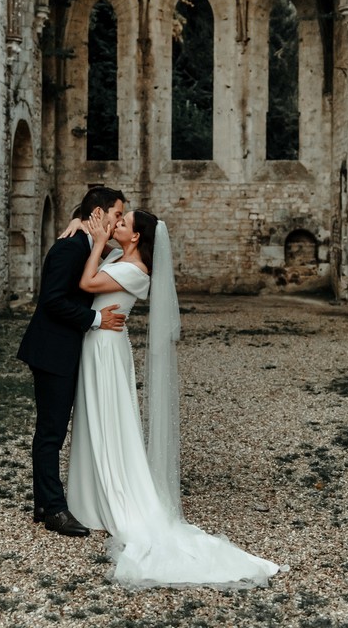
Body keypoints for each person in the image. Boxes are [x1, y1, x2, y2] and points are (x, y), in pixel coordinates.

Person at [66, 208, 284, 588]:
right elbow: (94, 264)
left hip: (105, 348)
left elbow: (86, 283)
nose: (115, 225)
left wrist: (99, 241)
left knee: (110, 420)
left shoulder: (135, 271)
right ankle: (92, 498)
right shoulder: (121, 258)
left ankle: (118, 497)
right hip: (99, 341)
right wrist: (83, 229)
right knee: (94, 418)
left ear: (135, 238)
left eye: (122, 224)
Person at [17, 186, 126, 537]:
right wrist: (96, 320)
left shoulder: (88, 244)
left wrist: (81, 224)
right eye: (116, 214)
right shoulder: (69, 247)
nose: (120, 220)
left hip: (65, 350)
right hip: (52, 351)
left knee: (53, 430)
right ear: (98, 213)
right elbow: (51, 301)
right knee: (51, 432)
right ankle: (54, 509)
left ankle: (42, 501)